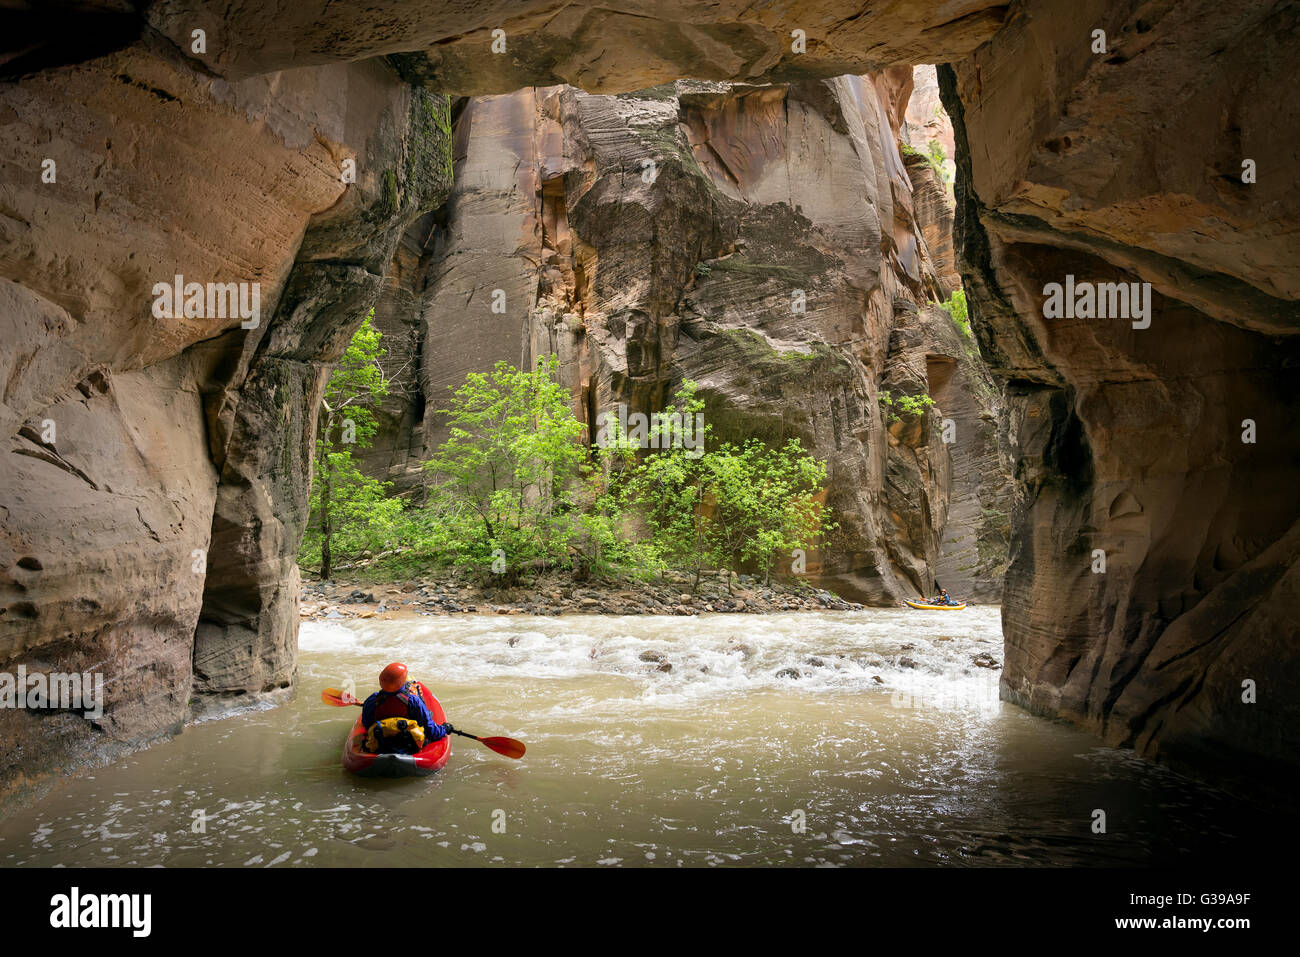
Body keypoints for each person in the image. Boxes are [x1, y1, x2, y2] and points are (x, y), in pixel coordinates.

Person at [361, 662, 452, 754]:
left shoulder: (372, 700)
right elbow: (430, 730)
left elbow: (367, 725)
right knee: (429, 714)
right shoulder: (413, 700)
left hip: (381, 744)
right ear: (401, 681)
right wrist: (444, 729)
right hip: (409, 746)